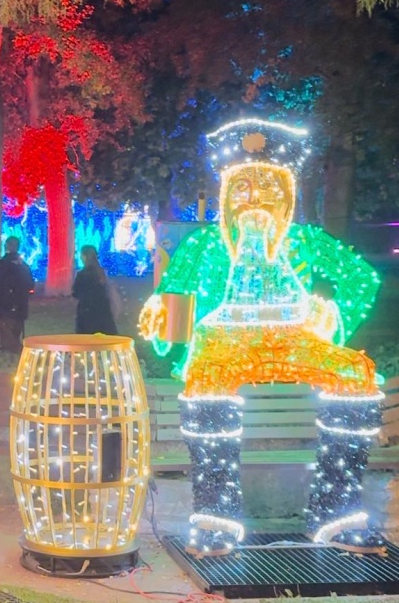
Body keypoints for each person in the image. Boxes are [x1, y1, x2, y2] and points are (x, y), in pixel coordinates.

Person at [138, 120, 382, 557]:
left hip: (295, 335)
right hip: (225, 337)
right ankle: (217, 516)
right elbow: (172, 294)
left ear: (287, 195)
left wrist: (333, 314)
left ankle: (336, 511)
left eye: (268, 186)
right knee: (206, 380)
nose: (254, 199)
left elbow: (363, 278)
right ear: (226, 195)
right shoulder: (204, 244)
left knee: (355, 373)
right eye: (242, 186)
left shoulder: (305, 240)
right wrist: (160, 309)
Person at [0, 236, 35, 353]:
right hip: (20, 306)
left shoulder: (2, 264)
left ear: (6, 247)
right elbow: (30, 285)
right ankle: (14, 354)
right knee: (15, 332)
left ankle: (10, 356)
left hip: (5, 306)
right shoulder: (23, 266)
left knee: (6, 336)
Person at [72, 245, 118, 335]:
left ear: (85, 256)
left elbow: (76, 292)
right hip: (102, 310)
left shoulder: (82, 274)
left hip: (87, 311)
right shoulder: (100, 273)